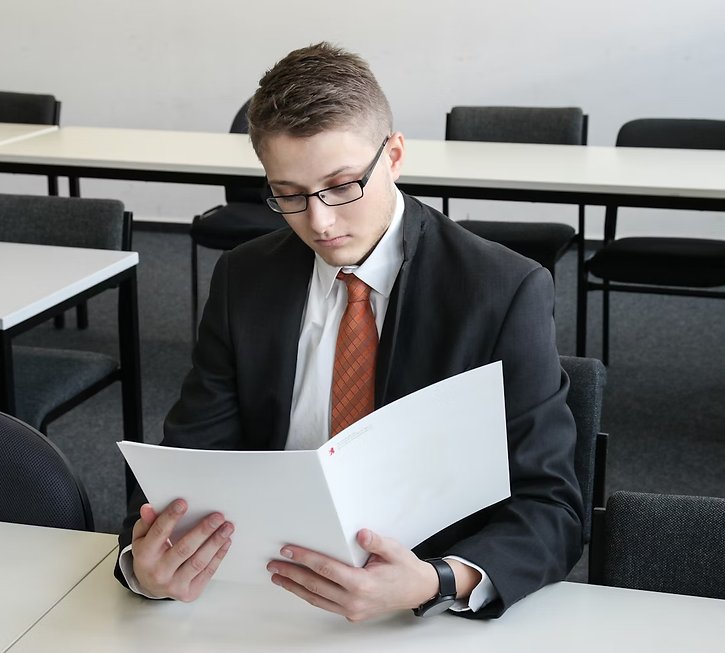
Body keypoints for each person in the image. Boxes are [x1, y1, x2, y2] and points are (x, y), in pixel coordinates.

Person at [115, 42, 583, 621]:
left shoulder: (502, 290)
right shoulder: (245, 277)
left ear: (394, 155)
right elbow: (188, 461)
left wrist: (437, 582)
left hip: (422, 608)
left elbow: (552, 507)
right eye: (288, 194)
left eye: (341, 186)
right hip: (266, 590)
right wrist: (144, 566)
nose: (319, 221)